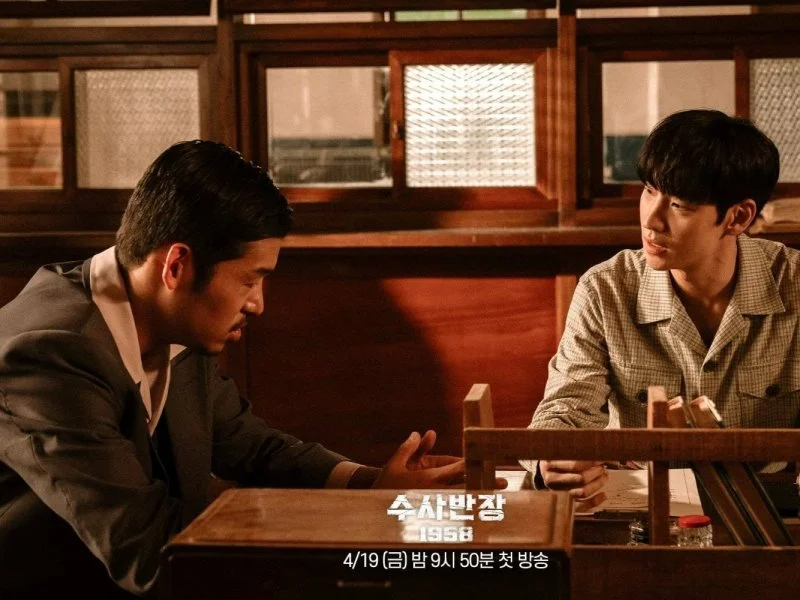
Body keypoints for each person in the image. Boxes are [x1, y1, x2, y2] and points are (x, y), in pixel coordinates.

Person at [0, 140, 464, 598]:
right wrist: (356, 519)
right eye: (249, 280)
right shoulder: (50, 352)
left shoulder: (170, 316)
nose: (258, 305)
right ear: (177, 266)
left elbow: (247, 444)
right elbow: (147, 547)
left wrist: (372, 483)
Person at [525, 109, 799, 497]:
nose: (652, 220)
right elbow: (564, 408)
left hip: (770, 508)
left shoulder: (794, 285)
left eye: (680, 205)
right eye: (649, 191)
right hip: (642, 504)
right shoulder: (606, 290)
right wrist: (552, 460)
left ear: (738, 217)